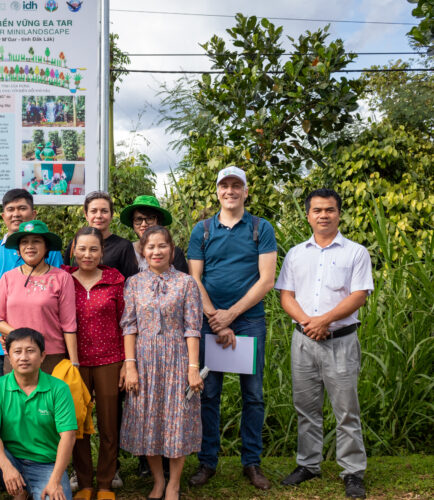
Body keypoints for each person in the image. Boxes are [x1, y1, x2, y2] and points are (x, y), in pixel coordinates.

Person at [275, 188, 372, 499]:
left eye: (329, 209)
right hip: (303, 341)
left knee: (346, 410)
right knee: (306, 408)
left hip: (340, 341)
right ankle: (308, 464)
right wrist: (309, 322)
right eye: (317, 210)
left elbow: (359, 295)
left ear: (338, 214)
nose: (324, 215)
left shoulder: (356, 252)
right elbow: (285, 296)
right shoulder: (295, 253)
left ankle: (353, 472)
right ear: (308, 215)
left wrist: (324, 320)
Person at [187, 166, 277, 490]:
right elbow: (194, 278)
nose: (230, 190)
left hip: (250, 320)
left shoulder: (260, 228)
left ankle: (251, 463)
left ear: (245, 191)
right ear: (217, 191)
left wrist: (232, 314)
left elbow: (267, 280)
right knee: (208, 394)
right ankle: (207, 462)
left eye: (236, 185)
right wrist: (215, 317)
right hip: (209, 320)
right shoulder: (202, 230)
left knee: (252, 395)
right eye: (224, 185)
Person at [120, 226, 204, 500]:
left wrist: (193, 369)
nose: (156, 251)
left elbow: (192, 328)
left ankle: (174, 484)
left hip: (177, 358)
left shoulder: (186, 283)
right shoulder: (134, 283)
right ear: (143, 251)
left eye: (162, 246)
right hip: (143, 359)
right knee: (149, 420)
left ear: (172, 249)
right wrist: (130, 365)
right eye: (150, 247)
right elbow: (129, 326)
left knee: (176, 419)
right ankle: (158, 481)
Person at [0, 328, 77, 500]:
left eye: (30, 351)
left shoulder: (59, 388)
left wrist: (55, 480)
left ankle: (24, 491)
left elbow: (68, 436)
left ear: (42, 356)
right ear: (9, 358)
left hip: (45, 464)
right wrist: (7, 467)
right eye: (17, 352)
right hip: (8, 458)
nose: (24, 357)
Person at [61, 227, 124, 500]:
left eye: (94, 249)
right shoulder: (62, 278)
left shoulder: (115, 279)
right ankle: (85, 482)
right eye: (82, 248)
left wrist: (127, 363)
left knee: (110, 424)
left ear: (102, 252)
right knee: (78, 424)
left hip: (110, 359)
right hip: (74, 362)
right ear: (74, 249)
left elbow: (126, 322)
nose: (87, 254)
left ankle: (106, 483)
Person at [0, 189, 63, 384]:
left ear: (33, 214)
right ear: (3, 216)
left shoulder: (51, 253)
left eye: (22, 208)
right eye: (11, 209)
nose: (16, 214)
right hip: (0, 344)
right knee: (4, 403)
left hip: (44, 346)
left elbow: (58, 296)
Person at [0, 220, 78, 374]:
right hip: (16, 355)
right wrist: (18, 336)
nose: (30, 246)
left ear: (46, 247)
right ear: (18, 249)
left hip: (51, 356)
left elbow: (69, 324)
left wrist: (74, 363)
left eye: (36, 241)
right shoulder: (7, 278)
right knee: (16, 398)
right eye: (24, 242)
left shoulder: (62, 278)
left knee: (50, 398)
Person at [66, 191, 139, 280]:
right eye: (93, 211)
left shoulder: (123, 246)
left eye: (104, 211)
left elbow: (132, 283)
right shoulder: (74, 244)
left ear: (111, 215)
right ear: (86, 215)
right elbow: (66, 277)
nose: (99, 216)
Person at [119, 195, 188, 274]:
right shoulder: (126, 251)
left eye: (150, 218)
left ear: (158, 221)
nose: (144, 224)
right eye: (138, 219)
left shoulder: (174, 253)